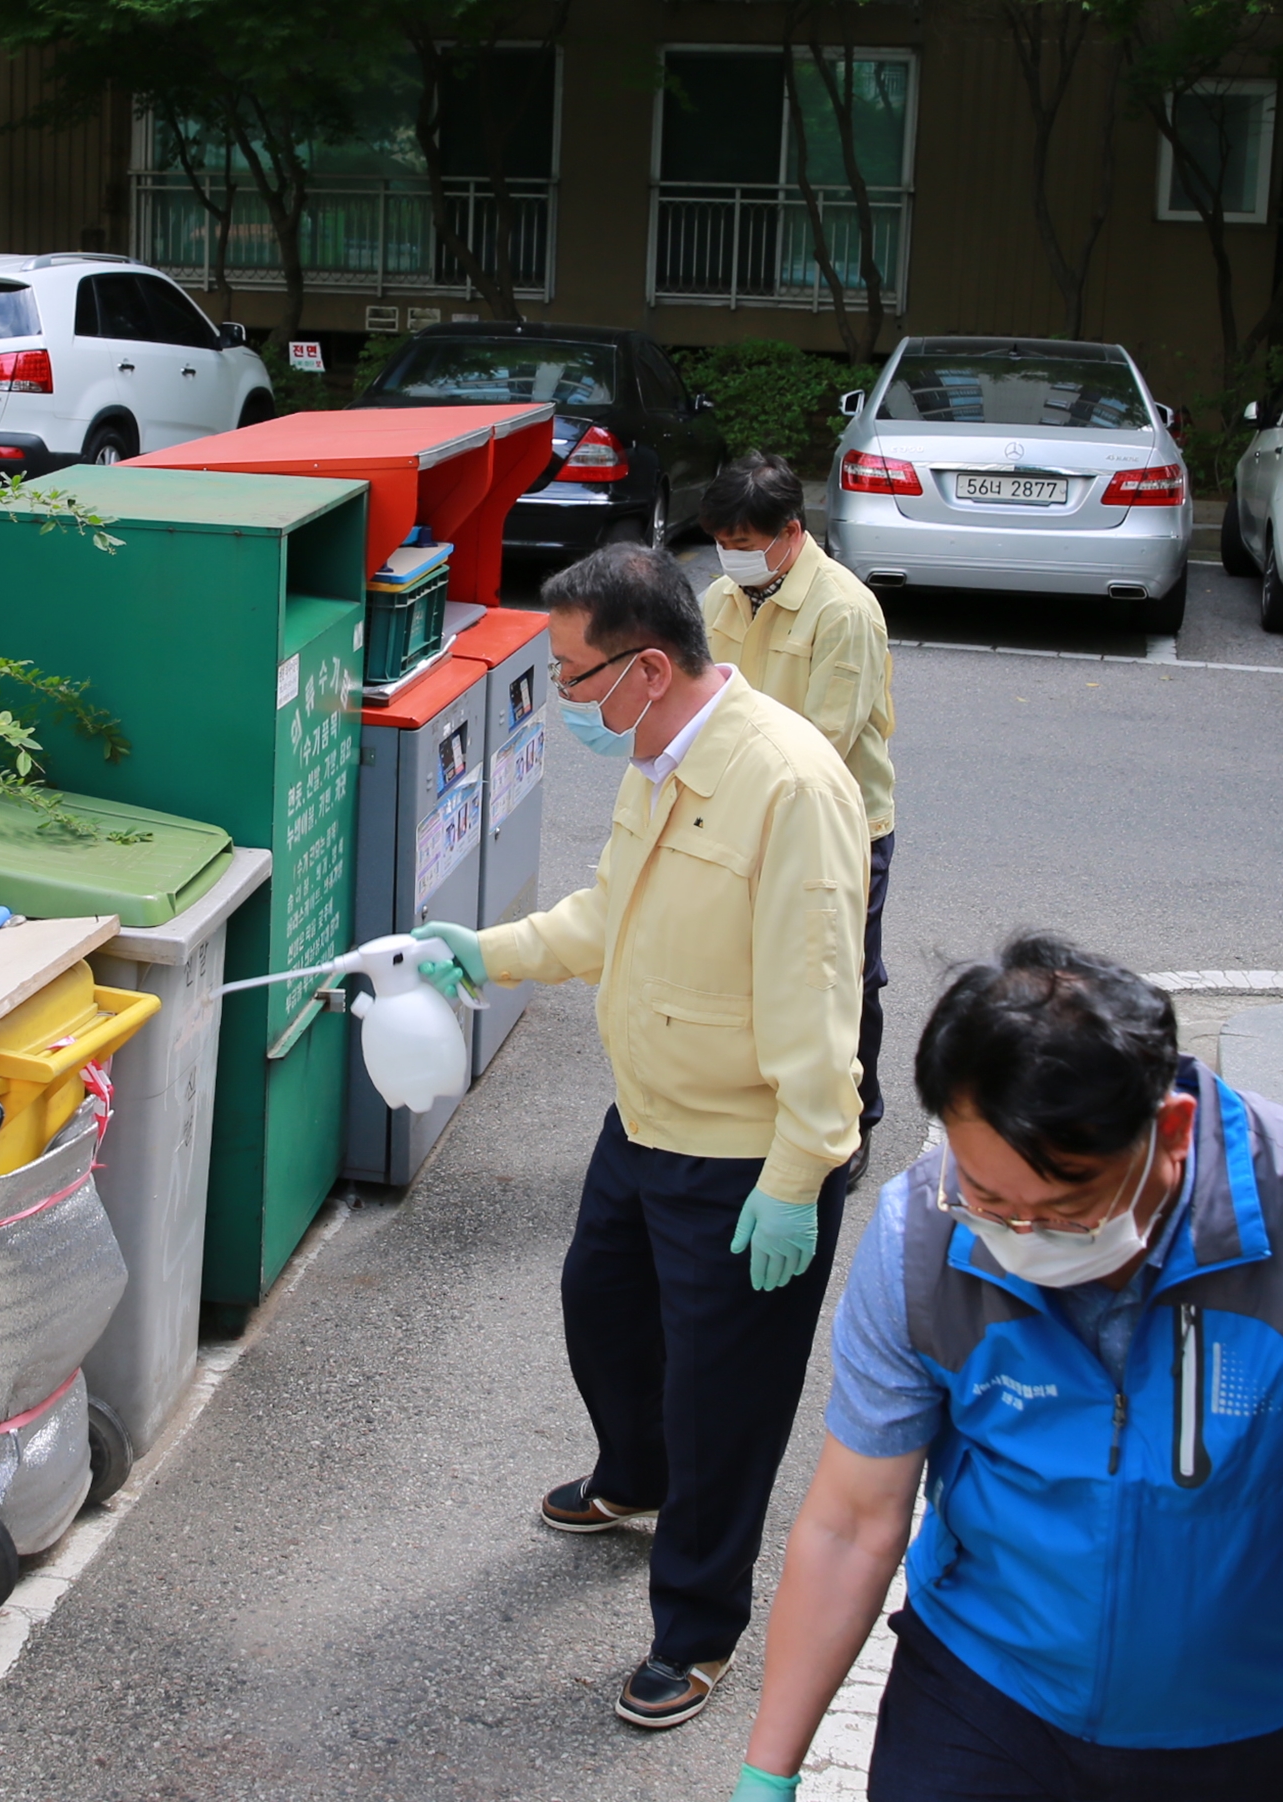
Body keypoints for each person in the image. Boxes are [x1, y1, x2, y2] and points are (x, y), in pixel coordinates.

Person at [727, 934, 1283, 1802]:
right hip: (981, 1691)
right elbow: (851, 1520)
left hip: (1228, 1725)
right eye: (988, 1198)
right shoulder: (922, 1237)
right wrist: (769, 1769)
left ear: (1168, 1128)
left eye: (1064, 1206)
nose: (1019, 1240)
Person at [408, 543, 870, 1732]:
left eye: (569, 675)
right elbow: (611, 910)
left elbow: (822, 1008)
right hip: (647, 1117)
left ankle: (699, 1629)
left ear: (646, 667)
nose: (560, 698)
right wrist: (491, 952)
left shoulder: (787, 785)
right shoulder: (661, 756)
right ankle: (635, 1474)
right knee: (600, 1308)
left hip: (746, 1154)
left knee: (729, 1401)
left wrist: (799, 1176)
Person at [700, 452, 898, 1174]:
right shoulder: (722, 595)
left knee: (841, 977)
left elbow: (827, 739)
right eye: (722, 544)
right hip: (737, 812)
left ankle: (851, 1122)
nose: (731, 558)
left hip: (835, 823)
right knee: (753, 967)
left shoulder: (842, 610)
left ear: (789, 533)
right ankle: (768, 1106)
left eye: (745, 546)